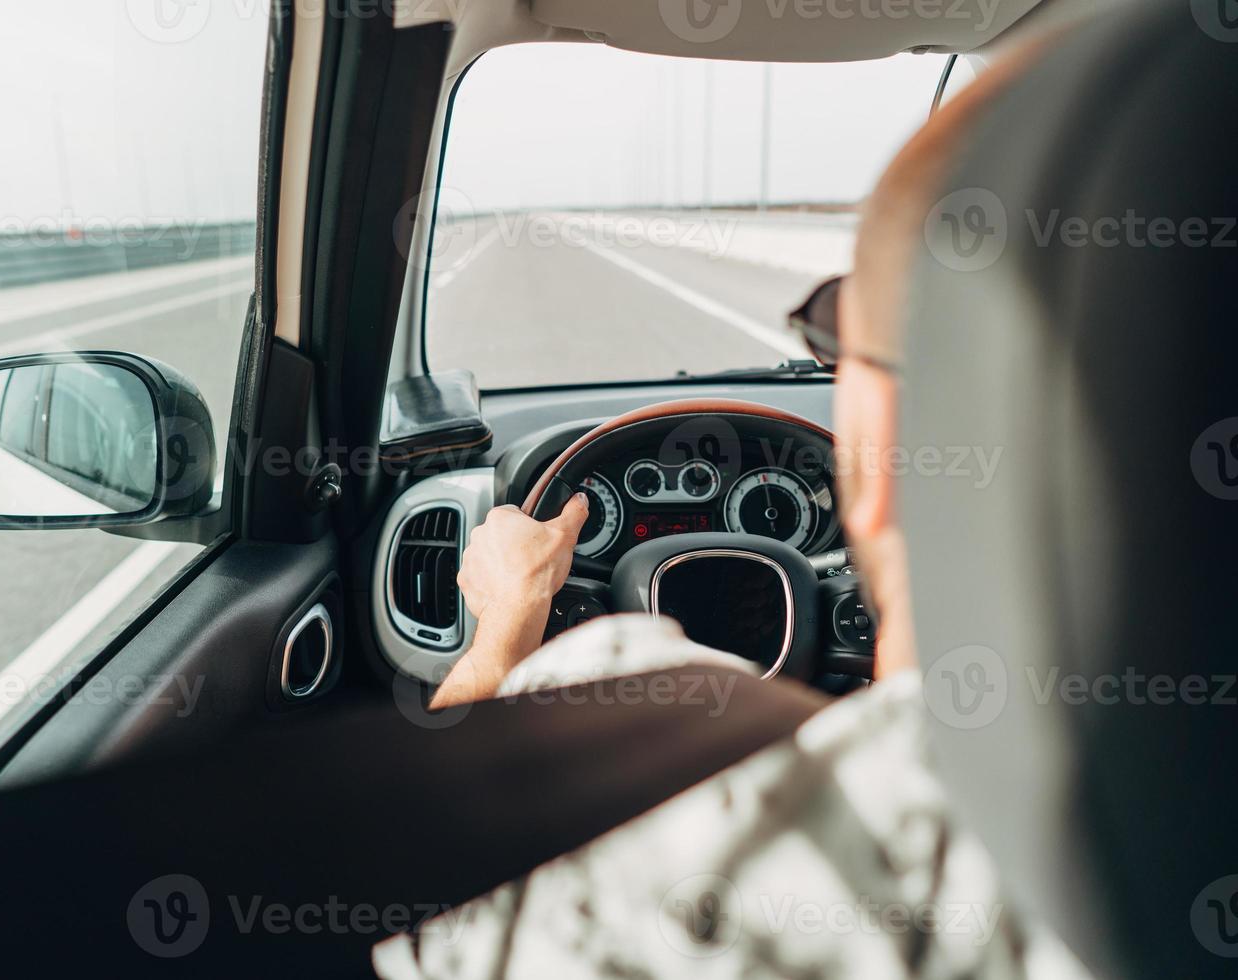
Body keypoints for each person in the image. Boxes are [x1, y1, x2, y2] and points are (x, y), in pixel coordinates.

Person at [374, 37, 1088, 980]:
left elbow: (412, 908)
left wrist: (504, 635)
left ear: (872, 438)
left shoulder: (611, 710)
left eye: (840, 340)